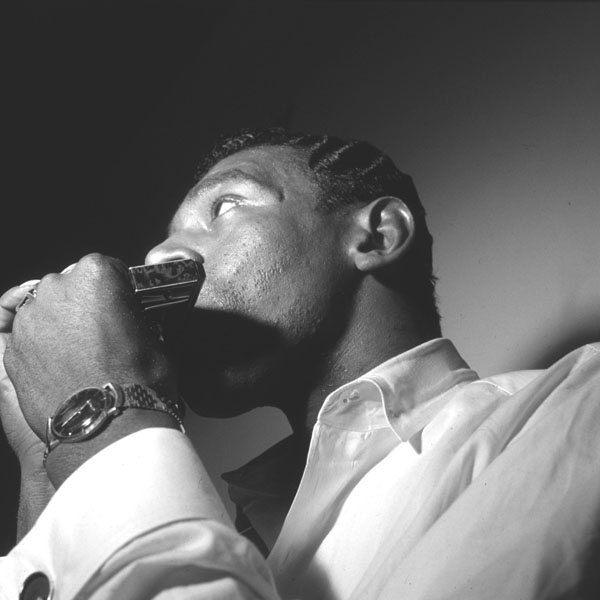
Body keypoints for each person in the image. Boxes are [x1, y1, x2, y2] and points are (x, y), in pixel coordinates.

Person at [0, 128, 599, 599]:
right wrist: (47, 461)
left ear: (378, 236)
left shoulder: (577, 406)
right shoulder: (249, 532)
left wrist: (105, 414)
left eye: (225, 206)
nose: (159, 254)